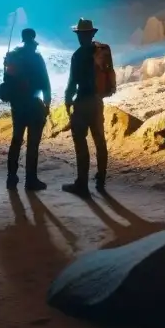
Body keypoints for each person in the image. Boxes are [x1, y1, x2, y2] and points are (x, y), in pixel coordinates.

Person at [62, 18, 108, 197]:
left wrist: (67, 100)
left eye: (80, 35)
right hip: (97, 102)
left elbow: (72, 82)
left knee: (81, 143)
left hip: (82, 103)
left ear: (80, 35)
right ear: (93, 34)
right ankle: (101, 178)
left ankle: (82, 184)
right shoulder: (101, 52)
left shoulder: (78, 55)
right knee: (99, 140)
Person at [3, 28, 51, 191]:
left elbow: (6, 80)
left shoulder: (13, 56)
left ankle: (11, 176)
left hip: (17, 105)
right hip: (33, 104)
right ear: (33, 41)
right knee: (32, 144)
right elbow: (45, 83)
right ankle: (31, 180)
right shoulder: (37, 58)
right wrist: (47, 104)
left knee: (16, 140)